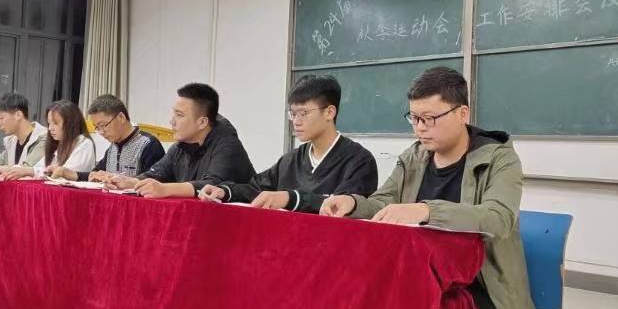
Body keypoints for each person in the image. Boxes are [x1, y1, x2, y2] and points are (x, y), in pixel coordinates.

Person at [320, 66, 536, 309]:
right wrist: (352, 202)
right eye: (414, 118)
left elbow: (498, 218)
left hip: (482, 284)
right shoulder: (415, 156)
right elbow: (384, 202)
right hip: (423, 276)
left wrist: (425, 210)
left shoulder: (499, 159)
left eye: (430, 118)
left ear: (462, 113)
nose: (420, 128)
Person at [198, 75, 378, 211]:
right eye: (293, 114)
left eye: (304, 113)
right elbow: (255, 188)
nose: (296, 121)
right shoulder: (292, 159)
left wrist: (291, 198)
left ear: (329, 112)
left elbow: (342, 206)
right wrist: (225, 191)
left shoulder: (359, 161)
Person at [105, 83, 255, 198]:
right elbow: (157, 173)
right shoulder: (181, 145)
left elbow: (213, 185)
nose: (172, 121)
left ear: (202, 122)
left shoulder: (227, 144)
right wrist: (129, 182)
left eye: (179, 115)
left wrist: (165, 189)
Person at [50, 94, 165, 182]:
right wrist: (68, 173)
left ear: (121, 117)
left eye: (104, 125)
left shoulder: (148, 145)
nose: (101, 132)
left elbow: (154, 181)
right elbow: (95, 174)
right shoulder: (112, 148)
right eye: (97, 127)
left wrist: (119, 180)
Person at [2, 100, 96, 180]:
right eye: (49, 123)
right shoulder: (59, 143)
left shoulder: (84, 143)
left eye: (55, 123)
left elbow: (65, 173)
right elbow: (40, 167)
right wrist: (19, 170)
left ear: (70, 123)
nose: (50, 128)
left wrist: (28, 171)